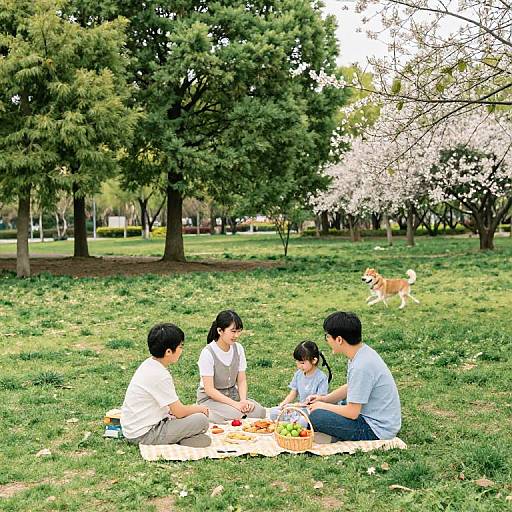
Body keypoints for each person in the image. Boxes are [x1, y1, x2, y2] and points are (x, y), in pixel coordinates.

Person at [307, 311, 401, 442]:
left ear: (339, 339)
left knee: (317, 417)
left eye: (327, 336)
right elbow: (352, 386)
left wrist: (322, 406)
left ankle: (335, 437)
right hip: (374, 417)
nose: (327, 340)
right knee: (334, 405)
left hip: (375, 429)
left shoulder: (361, 366)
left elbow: (352, 412)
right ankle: (332, 435)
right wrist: (324, 399)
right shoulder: (361, 353)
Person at [121, 323, 211, 447]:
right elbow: (179, 412)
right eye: (180, 346)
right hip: (145, 434)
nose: (181, 350)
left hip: (134, 429)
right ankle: (181, 438)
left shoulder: (149, 363)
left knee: (198, 426)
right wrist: (199, 408)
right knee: (201, 420)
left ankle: (182, 437)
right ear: (168, 351)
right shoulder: (160, 375)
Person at [197, 310, 266, 424]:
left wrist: (243, 401)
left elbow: (242, 379)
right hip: (211, 398)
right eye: (233, 331)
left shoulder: (238, 348)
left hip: (233, 395)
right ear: (220, 330)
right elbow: (209, 390)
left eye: (239, 331)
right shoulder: (207, 353)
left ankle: (219, 415)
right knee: (237, 414)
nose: (236, 335)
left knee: (259, 412)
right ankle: (202, 411)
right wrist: (236, 405)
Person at [270, 341, 331, 423]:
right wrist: (283, 405)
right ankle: (291, 422)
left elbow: (319, 401)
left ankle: (296, 423)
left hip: (311, 411)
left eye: (302, 363)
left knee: (302, 421)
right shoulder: (298, 374)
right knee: (274, 412)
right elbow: (293, 393)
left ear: (314, 360)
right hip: (298, 409)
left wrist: (299, 406)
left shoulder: (321, 378)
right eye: (297, 362)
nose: (298, 366)